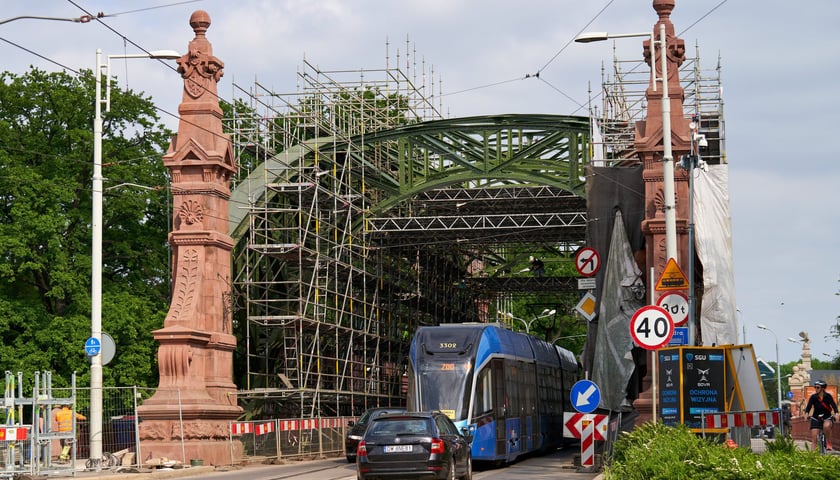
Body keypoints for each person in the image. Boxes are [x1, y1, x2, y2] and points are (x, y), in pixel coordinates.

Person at [804, 380, 839, 451]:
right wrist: (806, 414)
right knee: (814, 438)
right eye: (815, 387)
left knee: (826, 426)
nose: (816, 389)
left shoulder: (828, 396)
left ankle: (828, 442)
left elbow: (834, 406)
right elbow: (809, 407)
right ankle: (812, 457)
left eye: (817, 387)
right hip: (815, 418)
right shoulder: (813, 397)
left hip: (827, 417)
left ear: (822, 388)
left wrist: (836, 414)